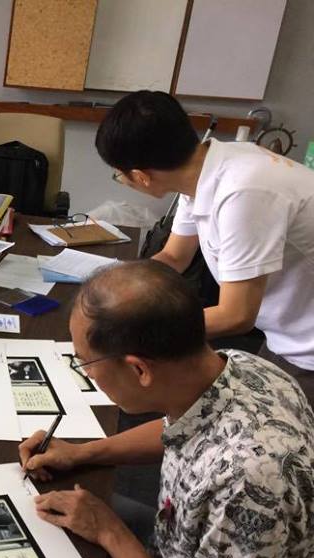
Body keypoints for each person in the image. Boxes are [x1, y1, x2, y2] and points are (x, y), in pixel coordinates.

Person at [18, 260, 314, 558]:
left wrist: (112, 533)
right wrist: (84, 453)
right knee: (65, 517)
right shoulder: (240, 366)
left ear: (139, 370)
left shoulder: (251, 480)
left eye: (88, 365)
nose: (89, 375)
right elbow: (181, 429)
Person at [94, 90, 314, 404]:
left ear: (141, 177)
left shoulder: (242, 192)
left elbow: (236, 315)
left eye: (120, 175)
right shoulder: (204, 169)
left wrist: (139, 332)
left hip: (306, 348)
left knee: (265, 424)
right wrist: (115, 290)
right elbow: (174, 257)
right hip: (285, 333)